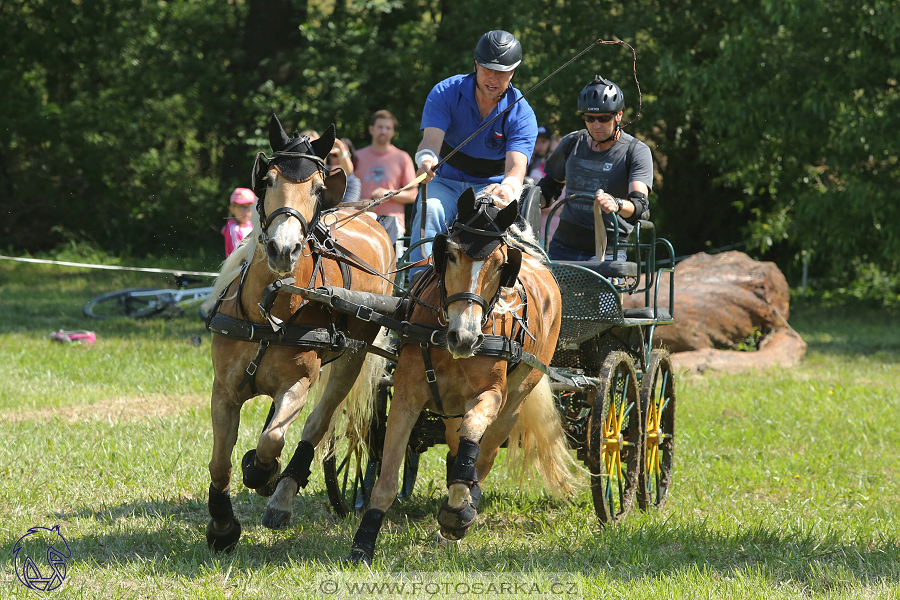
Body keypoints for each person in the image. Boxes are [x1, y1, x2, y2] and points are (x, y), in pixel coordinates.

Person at [409, 30, 538, 271]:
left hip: (488, 188)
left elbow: (516, 168)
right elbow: (430, 141)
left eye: (502, 72)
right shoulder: (445, 92)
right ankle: (420, 281)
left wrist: (507, 188)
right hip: (444, 180)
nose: (493, 78)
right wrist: (426, 160)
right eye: (488, 69)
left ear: (513, 72)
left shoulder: (523, 113)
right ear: (476, 64)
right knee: (431, 208)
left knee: (487, 223)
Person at [537, 75, 653, 262]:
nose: (596, 125)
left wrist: (617, 204)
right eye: (590, 118)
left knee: (599, 291)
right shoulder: (572, 142)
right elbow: (548, 189)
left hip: (608, 250)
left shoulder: (636, 151)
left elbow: (640, 207)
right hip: (563, 245)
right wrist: (524, 197)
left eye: (604, 118)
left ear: (619, 116)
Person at [355, 110, 417, 246]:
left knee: (392, 268)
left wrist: (388, 194)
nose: (384, 131)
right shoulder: (357, 157)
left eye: (388, 128)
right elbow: (346, 190)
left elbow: (413, 195)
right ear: (371, 129)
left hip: (393, 227)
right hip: (359, 225)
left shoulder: (402, 158)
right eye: (380, 127)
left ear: (393, 132)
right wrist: (360, 203)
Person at [325, 137, 361, 204]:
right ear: (329, 156)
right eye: (335, 155)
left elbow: (347, 211)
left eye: (345, 154)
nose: (339, 159)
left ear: (351, 157)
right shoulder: (319, 175)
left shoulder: (353, 182)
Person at [222, 187, 255, 257]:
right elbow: (238, 255)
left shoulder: (251, 225)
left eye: (249, 207)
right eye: (241, 206)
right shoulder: (233, 229)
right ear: (232, 209)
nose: (246, 211)